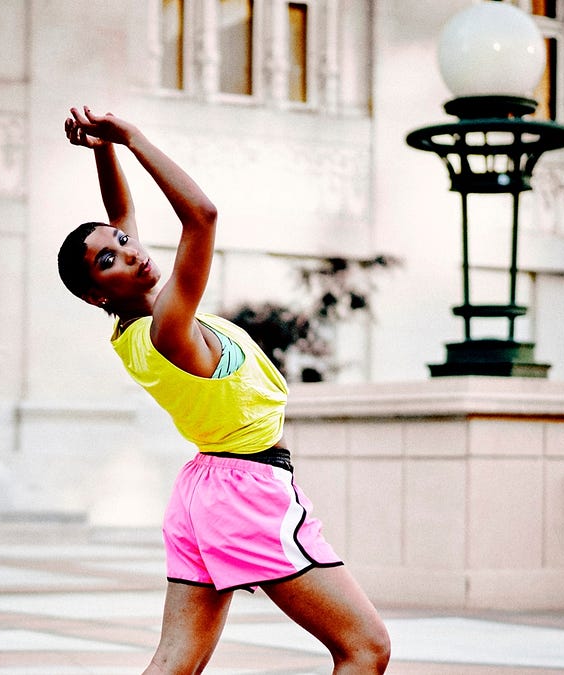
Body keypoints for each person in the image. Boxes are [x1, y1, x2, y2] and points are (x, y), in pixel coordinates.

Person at [56, 106, 391, 674]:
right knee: (366, 647)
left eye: (121, 241)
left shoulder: (130, 327)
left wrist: (103, 149)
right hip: (246, 489)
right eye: (109, 259)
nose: (130, 249)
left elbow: (122, 212)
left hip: (206, 486)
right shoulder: (166, 328)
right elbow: (203, 217)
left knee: (176, 661)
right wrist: (134, 135)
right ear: (97, 295)